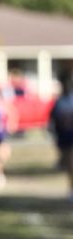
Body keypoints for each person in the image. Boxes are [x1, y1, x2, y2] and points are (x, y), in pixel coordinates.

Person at [49, 70, 73, 201]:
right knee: (68, 164)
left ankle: (71, 189)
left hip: (71, 136)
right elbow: (53, 119)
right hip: (63, 137)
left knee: (71, 163)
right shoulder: (59, 101)